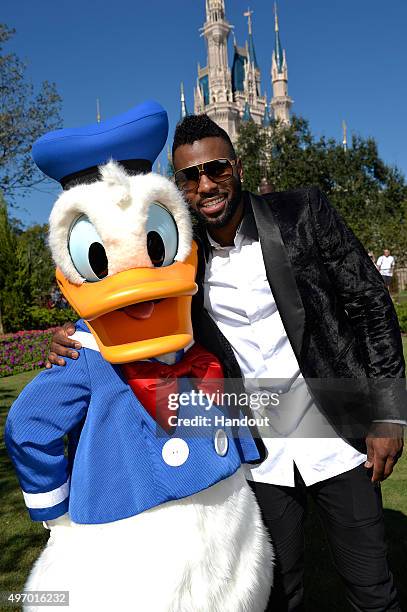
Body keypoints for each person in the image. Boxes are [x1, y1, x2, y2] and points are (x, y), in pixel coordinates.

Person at [49, 114, 406, 612]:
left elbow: (371, 302)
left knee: (372, 589)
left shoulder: (302, 212)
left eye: (215, 169)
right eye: (190, 177)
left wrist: (389, 414)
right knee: (274, 593)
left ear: (236, 167)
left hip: (337, 434)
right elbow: (127, 301)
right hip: (259, 450)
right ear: (180, 187)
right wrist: (75, 338)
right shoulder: (180, 253)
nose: (205, 185)